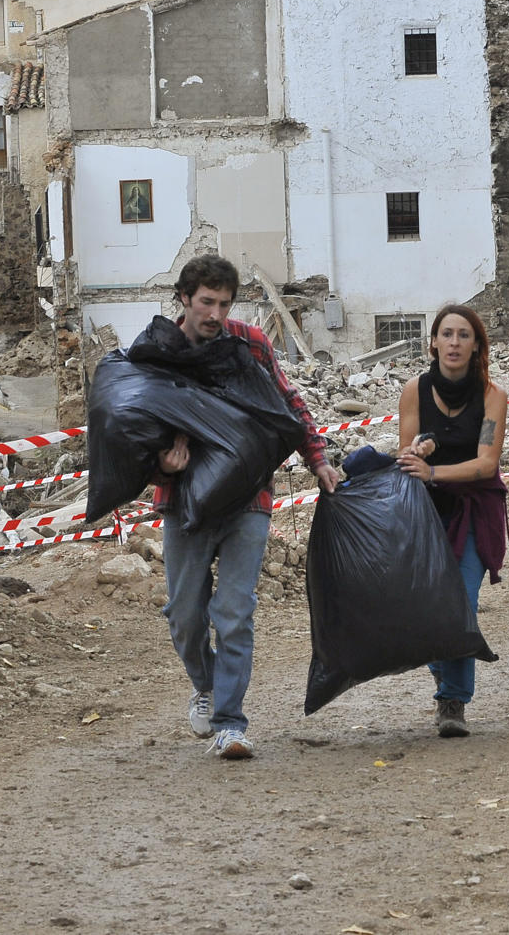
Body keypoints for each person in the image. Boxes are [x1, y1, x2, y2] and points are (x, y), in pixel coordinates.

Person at [150, 254, 340, 759]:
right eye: (206, 302)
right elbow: (134, 432)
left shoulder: (249, 344)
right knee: (185, 616)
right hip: (181, 501)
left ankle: (230, 722)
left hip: (250, 497)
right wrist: (162, 467)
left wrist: (317, 458)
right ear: (185, 298)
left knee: (234, 612)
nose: (215, 314)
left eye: (224, 303)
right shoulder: (159, 353)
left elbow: (288, 404)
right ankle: (207, 685)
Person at [396, 304, 509, 739]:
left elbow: (486, 464)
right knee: (427, 606)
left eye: (464, 335)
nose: (455, 343)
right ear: (433, 342)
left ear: (477, 345)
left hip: (474, 508)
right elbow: (405, 454)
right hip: (424, 513)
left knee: (460, 601)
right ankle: (444, 667)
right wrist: (420, 451)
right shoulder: (414, 390)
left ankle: (452, 700)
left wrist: (435, 472)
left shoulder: (491, 396)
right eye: (447, 334)